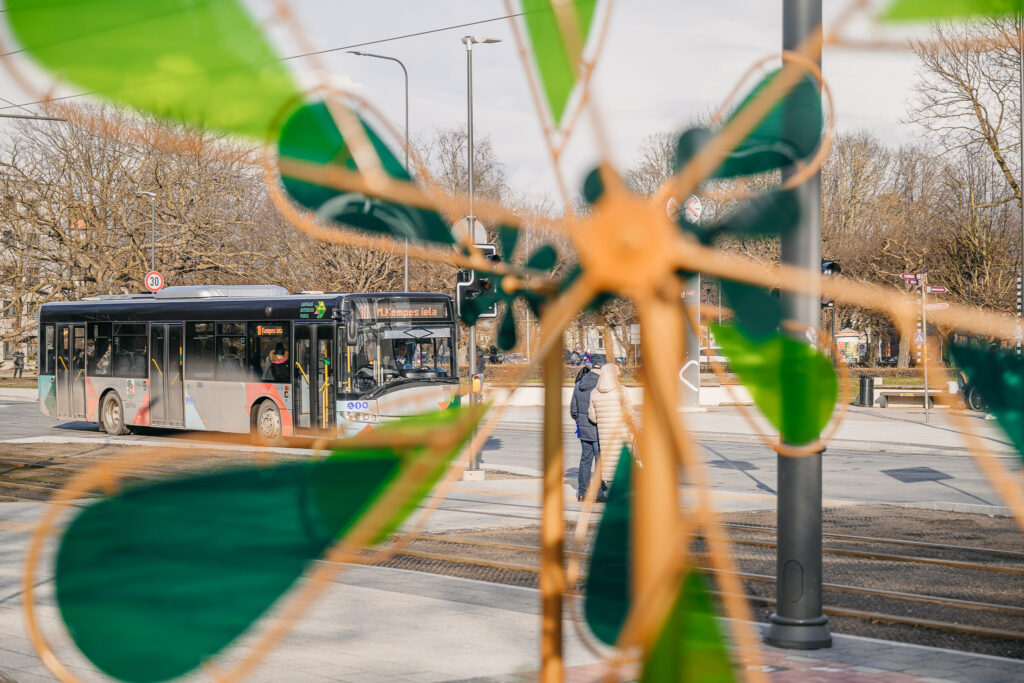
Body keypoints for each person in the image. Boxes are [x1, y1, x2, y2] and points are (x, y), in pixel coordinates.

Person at [588, 363, 634, 495]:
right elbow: (630, 413)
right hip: (622, 433)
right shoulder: (622, 391)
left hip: (604, 436)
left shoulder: (594, 393)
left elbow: (592, 417)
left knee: (609, 464)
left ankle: (610, 492)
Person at [569, 362, 600, 502]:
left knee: (585, 460)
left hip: (584, 428)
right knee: (600, 461)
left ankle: (582, 493)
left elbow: (573, 410)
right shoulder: (601, 385)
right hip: (598, 429)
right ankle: (599, 493)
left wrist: (580, 421)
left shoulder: (578, 385)